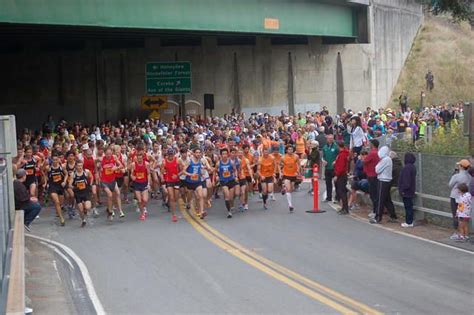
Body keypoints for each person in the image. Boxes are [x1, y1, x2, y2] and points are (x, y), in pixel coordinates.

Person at [370, 146, 397, 224]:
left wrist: (377, 165)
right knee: (387, 199)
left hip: (383, 181)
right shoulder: (388, 159)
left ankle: (378, 217)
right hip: (387, 181)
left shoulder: (385, 160)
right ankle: (393, 215)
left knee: (380, 199)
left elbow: (377, 170)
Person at [448, 159, 472, 235]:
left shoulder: (456, 176)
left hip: (455, 197)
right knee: (464, 216)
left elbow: (450, 185)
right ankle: (465, 234)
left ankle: (457, 232)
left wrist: (454, 173)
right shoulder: (470, 176)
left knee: (456, 214)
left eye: (459, 165)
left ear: (461, 166)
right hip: (465, 198)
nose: (458, 166)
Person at [44, 152, 67, 226]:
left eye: (56, 160)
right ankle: (61, 218)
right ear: (51, 160)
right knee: (56, 202)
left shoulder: (61, 167)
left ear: (58, 160)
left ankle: (59, 211)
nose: (55, 161)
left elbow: (66, 174)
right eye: (53, 160)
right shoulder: (48, 168)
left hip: (60, 186)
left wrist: (64, 181)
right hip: (52, 186)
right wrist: (46, 182)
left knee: (60, 203)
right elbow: (44, 174)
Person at [69, 160, 93, 227]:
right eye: (78, 166)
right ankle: (83, 220)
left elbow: (91, 177)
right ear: (76, 166)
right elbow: (69, 184)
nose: (80, 167)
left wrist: (90, 184)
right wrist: (74, 187)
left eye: (81, 166)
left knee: (88, 207)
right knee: (80, 209)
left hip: (86, 192)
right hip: (78, 193)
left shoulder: (86, 172)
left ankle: (85, 209)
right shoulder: (73, 174)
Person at [217, 148, 238, 218]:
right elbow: (215, 171)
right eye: (223, 154)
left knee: (231, 198)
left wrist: (236, 176)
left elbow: (235, 170)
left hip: (231, 180)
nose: (224, 155)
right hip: (223, 181)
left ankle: (231, 205)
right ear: (221, 155)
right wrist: (216, 176)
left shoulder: (231, 162)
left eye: (226, 154)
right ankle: (229, 212)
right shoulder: (218, 163)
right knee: (227, 196)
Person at [130, 151, 152, 221]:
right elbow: (131, 173)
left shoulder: (146, 164)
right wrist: (132, 177)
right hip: (137, 183)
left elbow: (148, 174)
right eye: (138, 159)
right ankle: (142, 214)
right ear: (136, 158)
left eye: (140, 159)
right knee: (139, 200)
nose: (139, 160)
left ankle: (143, 207)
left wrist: (148, 184)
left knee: (145, 200)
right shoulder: (133, 164)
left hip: (144, 183)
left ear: (143, 158)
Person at [398, 153, 417, 228]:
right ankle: (410, 221)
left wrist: (402, 189)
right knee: (409, 206)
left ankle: (409, 221)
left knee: (408, 206)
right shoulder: (413, 167)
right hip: (411, 189)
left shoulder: (406, 168)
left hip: (406, 190)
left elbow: (406, 181)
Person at [161, 148, 180, 222]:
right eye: (169, 154)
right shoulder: (164, 162)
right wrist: (163, 177)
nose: (171, 156)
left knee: (176, 198)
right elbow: (162, 171)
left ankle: (169, 203)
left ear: (174, 154)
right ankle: (174, 215)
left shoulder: (177, 160)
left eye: (172, 154)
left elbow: (182, 170)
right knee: (171, 197)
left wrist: (177, 175)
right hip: (169, 181)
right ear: (167, 155)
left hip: (177, 181)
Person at [363, 139, 380, 219]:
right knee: (374, 194)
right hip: (374, 174)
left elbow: (365, 160)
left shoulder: (372, 153)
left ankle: (375, 211)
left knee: (373, 194)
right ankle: (376, 210)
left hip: (372, 175)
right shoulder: (377, 152)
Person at [281, 145, 300, 213]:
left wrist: (298, 171)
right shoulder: (283, 157)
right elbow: (280, 165)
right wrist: (281, 172)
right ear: (286, 150)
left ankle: (284, 188)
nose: (290, 151)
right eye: (289, 149)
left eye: (291, 149)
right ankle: (290, 205)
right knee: (289, 189)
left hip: (293, 175)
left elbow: (298, 164)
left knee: (291, 189)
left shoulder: (296, 156)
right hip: (286, 175)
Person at [333, 142, 350, 214]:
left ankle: (345, 209)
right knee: (342, 191)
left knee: (342, 192)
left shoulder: (342, 155)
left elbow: (341, 166)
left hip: (341, 175)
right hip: (343, 174)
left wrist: (337, 175)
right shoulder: (345, 154)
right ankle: (344, 208)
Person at [322, 134, 338, 202]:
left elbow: (338, 155)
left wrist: (335, 161)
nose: (330, 139)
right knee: (328, 183)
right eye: (329, 138)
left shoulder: (336, 147)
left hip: (334, 168)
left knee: (336, 183)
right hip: (327, 167)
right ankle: (329, 197)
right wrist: (323, 160)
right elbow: (323, 156)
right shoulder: (325, 147)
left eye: (331, 138)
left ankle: (337, 197)